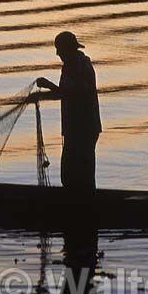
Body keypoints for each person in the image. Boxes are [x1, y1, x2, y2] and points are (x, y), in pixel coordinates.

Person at [32, 31, 102, 191]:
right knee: (73, 175)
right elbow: (66, 92)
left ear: (67, 49)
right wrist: (45, 92)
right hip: (76, 129)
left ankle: (83, 207)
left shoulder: (80, 66)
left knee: (77, 174)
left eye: (59, 49)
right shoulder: (72, 65)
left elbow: (74, 93)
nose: (57, 53)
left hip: (83, 129)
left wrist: (49, 87)